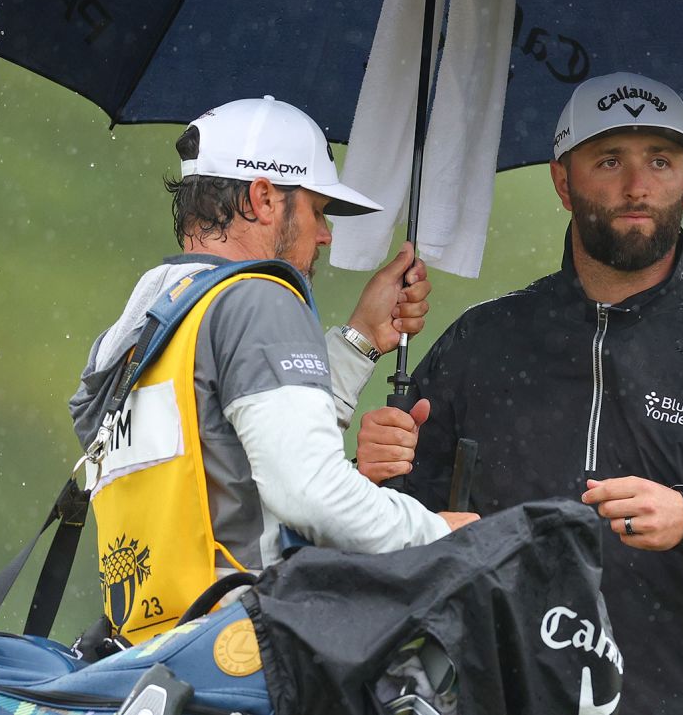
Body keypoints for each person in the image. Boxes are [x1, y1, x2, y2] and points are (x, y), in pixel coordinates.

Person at [357, 73, 683, 714]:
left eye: (660, 160)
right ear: (562, 181)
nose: (637, 186)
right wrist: (373, 473)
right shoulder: (482, 343)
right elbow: (385, 534)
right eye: (610, 160)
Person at [70, 96, 477, 642]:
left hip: (143, 656)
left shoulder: (149, 315)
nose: (326, 234)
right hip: (239, 656)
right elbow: (308, 493)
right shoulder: (260, 297)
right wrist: (439, 535)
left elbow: (232, 459)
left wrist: (357, 341)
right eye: (317, 210)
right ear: (264, 198)